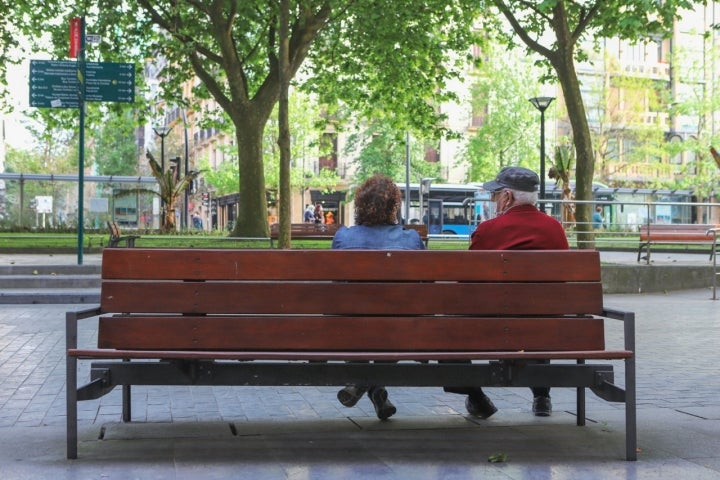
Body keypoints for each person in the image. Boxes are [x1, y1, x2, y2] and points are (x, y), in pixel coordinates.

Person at [445, 166, 569, 419]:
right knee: (540, 310)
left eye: (495, 195)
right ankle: (542, 396)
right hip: (547, 331)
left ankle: (476, 397)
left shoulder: (489, 230)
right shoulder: (555, 229)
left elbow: (465, 283)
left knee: (444, 326)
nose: (493, 201)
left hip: (490, 330)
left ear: (507, 197)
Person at [332, 174, 426, 420]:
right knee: (395, 324)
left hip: (350, 329)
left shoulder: (343, 238)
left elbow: (335, 288)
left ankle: (361, 381)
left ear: (360, 205)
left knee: (352, 321)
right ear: (395, 207)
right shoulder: (411, 239)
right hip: (400, 332)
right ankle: (372, 386)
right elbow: (425, 288)